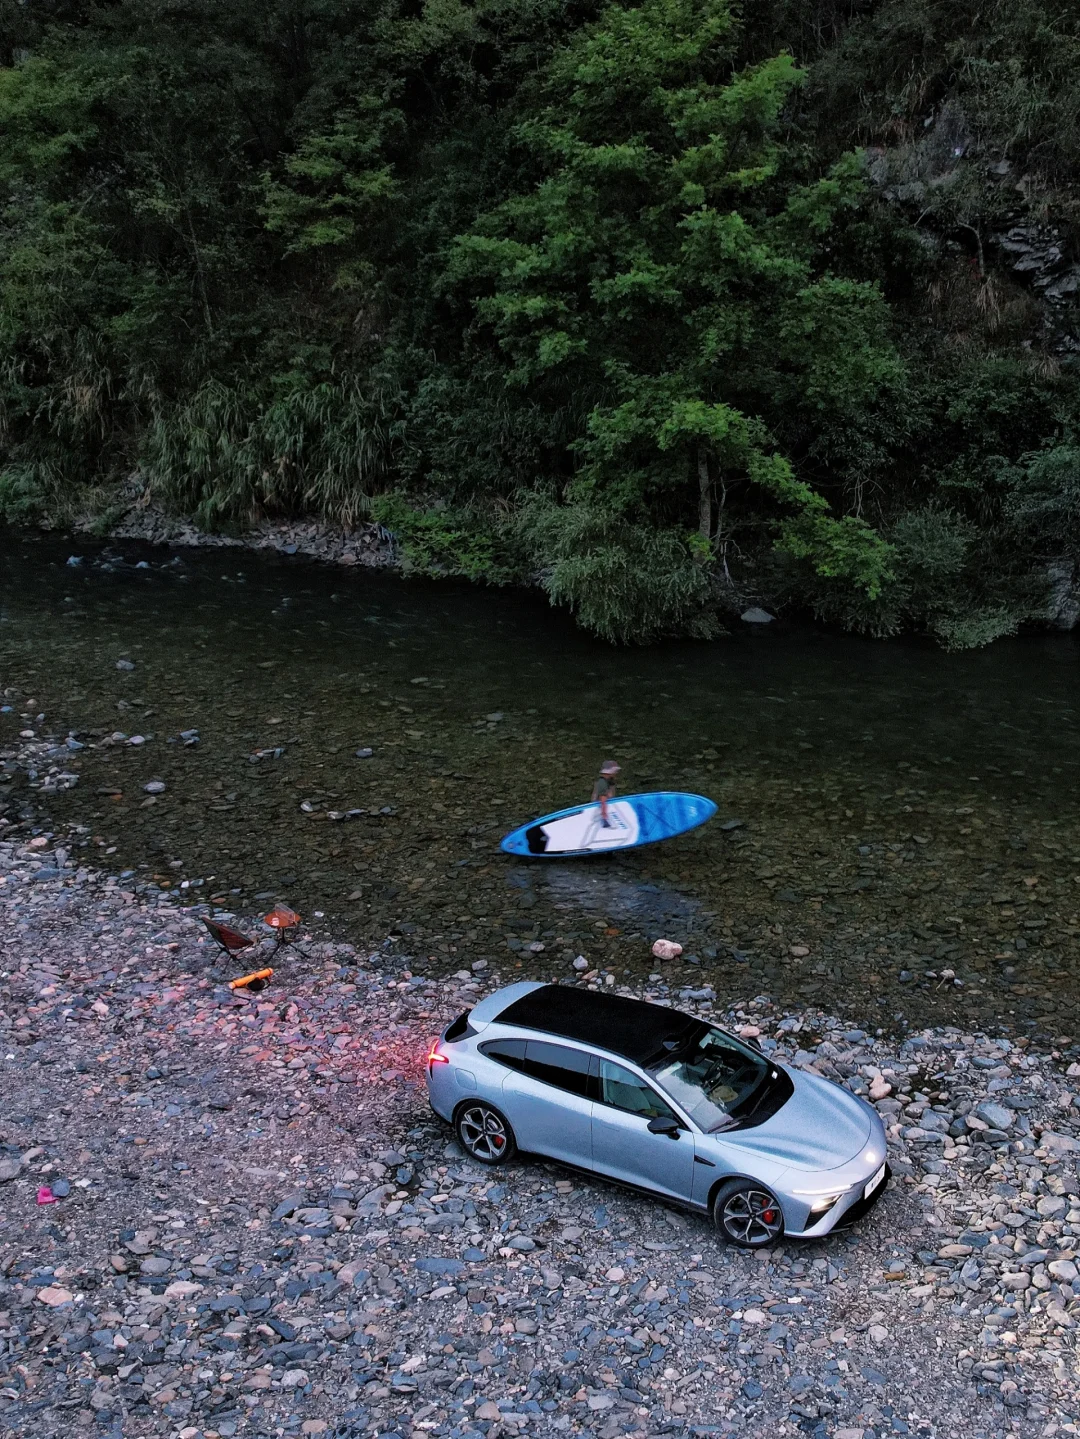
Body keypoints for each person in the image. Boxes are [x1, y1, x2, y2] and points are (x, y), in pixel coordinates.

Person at [591, 760, 621, 827]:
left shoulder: (607, 782)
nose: (615, 774)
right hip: (599, 811)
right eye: (614, 772)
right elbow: (603, 800)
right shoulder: (602, 783)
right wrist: (604, 818)